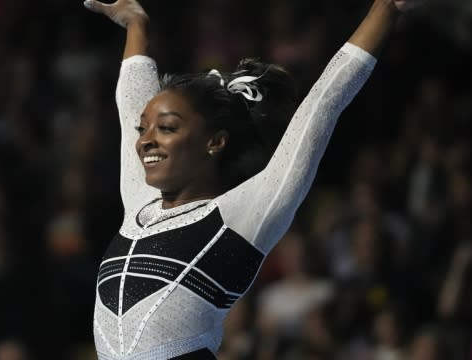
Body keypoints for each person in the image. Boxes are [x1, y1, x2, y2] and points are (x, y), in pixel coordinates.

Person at [84, 0, 423, 358]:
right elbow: (130, 103)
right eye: (145, 129)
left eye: (167, 127)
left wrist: (385, 9)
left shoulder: (241, 215)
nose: (145, 139)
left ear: (214, 142)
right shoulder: (140, 199)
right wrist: (136, 25)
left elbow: (323, 103)